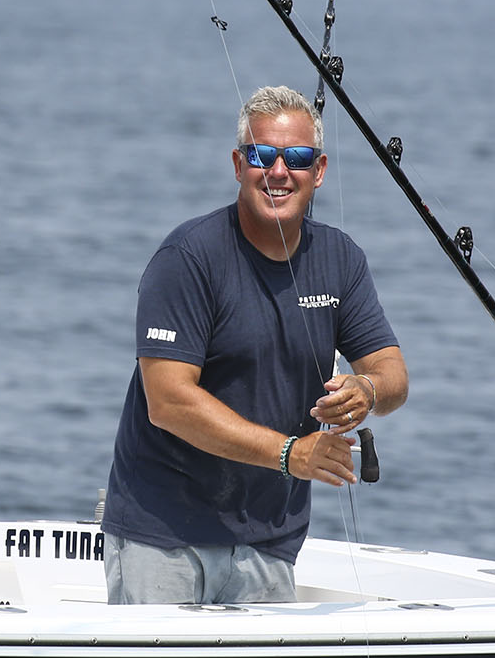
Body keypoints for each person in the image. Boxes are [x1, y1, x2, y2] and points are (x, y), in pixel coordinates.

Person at [102, 85, 408, 604]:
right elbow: (169, 401)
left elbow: (393, 373)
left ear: (320, 170)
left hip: (270, 543)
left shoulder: (342, 259)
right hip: (164, 539)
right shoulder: (187, 258)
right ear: (239, 163)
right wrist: (291, 454)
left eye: (297, 158)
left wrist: (367, 389)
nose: (279, 171)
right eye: (263, 155)